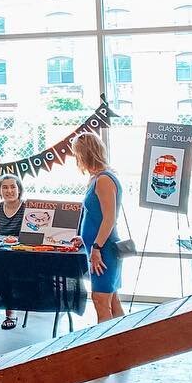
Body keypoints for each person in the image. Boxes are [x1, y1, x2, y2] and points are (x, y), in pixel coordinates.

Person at [72, 133, 124, 323]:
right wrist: (84, 239)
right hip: (98, 246)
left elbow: (109, 219)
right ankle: (123, 344)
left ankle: (107, 349)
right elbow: (95, 216)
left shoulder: (104, 179)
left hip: (104, 249)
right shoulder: (97, 178)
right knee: (113, 300)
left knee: (101, 300)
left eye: (77, 154)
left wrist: (96, 247)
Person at [0, 175, 25, 329]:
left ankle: (11, 313)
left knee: (6, 270)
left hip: (22, 253)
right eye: (5, 187)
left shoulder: (27, 208)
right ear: (0, 191)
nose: (9, 190)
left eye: (13, 187)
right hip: (2, 252)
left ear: (19, 189)